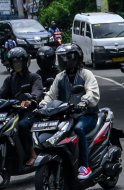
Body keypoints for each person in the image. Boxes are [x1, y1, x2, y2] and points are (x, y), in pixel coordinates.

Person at [44, 43, 100, 180]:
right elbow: (51, 95)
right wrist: (42, 106)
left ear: (76, 58)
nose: (64, 61)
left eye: (67, 58)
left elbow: (92, 92)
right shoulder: (60, 77)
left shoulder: (86, 74)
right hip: (67, 115)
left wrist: (84, 101)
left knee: (79, 129)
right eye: (62, 58)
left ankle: (84, 166)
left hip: (87, 114)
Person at [0, 46, 44, 165]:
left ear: (25, 61)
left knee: (22, 126)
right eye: (14, 62)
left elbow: (37, 91)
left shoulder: (34, 77)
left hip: (30, 112)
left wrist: (31, 99)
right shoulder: (10, 79)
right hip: (14, 112)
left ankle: (32, 154)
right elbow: (1, 94)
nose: (16, 64)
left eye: (19, 61)